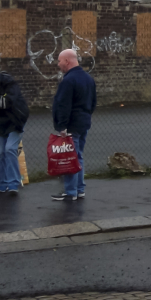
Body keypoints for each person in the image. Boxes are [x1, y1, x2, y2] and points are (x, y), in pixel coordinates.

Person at [51, 49, 96, 201]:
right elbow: (93, 102)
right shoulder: (88, 78)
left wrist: (62, 126)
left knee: (70, 157)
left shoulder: (69, 80)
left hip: (71, 125)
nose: (58, 64)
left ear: (67, 61)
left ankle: (71, 192)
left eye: (59, 61)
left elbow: (63, 105)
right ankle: (79, 189)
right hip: (84, 122)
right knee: (78, 156)